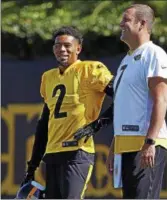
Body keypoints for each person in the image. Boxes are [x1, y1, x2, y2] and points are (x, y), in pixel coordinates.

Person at [74, 4, 167, 199]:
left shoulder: (154, 54)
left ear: (142, 24)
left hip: (145, 145)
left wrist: (150, 142)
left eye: (126, 20)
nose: (120, 24)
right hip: (126, 146)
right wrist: (115, 145)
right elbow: (124, 107)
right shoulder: (127, 60)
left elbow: (161, 100)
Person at [21, 26, 114, 199]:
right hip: (52, 152)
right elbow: (44, 124)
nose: (61, 49)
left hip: (77, 151)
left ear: (78, 48)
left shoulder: (90, 70)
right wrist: (32, 166)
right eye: (57, 45)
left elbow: (124, 97)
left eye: (67, 45)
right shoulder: (48, 77)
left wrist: (97, 125)